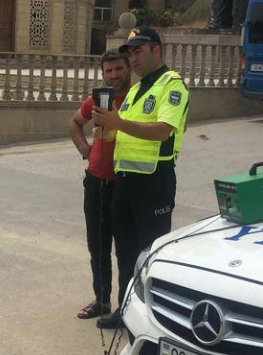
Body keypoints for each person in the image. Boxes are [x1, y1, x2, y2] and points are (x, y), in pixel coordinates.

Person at [92, 27, 190, 329]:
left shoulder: (171, 86)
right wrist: (105, 128)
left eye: (138, 51)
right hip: (125, 182)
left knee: (151, 253)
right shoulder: (135, 90)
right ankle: (126, 310)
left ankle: (153, 319)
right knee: (126, 253)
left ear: (156, 50)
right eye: (130, 52)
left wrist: (118, 122)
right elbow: (119, 131)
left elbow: (162, 131)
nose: (132, 58)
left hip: (153, 183)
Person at [69, 50, 132, 319]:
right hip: (96, 182)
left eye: (119, 69)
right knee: (98, 246)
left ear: (128, 68)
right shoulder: (98, 99)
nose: (114, 75)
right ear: (103, 74)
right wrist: (85, 149)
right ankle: (102, 301)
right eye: (109, 71)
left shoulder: (138, 99)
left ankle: (127, 307)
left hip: (125, 183)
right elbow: (74, 123)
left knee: (126, 249)